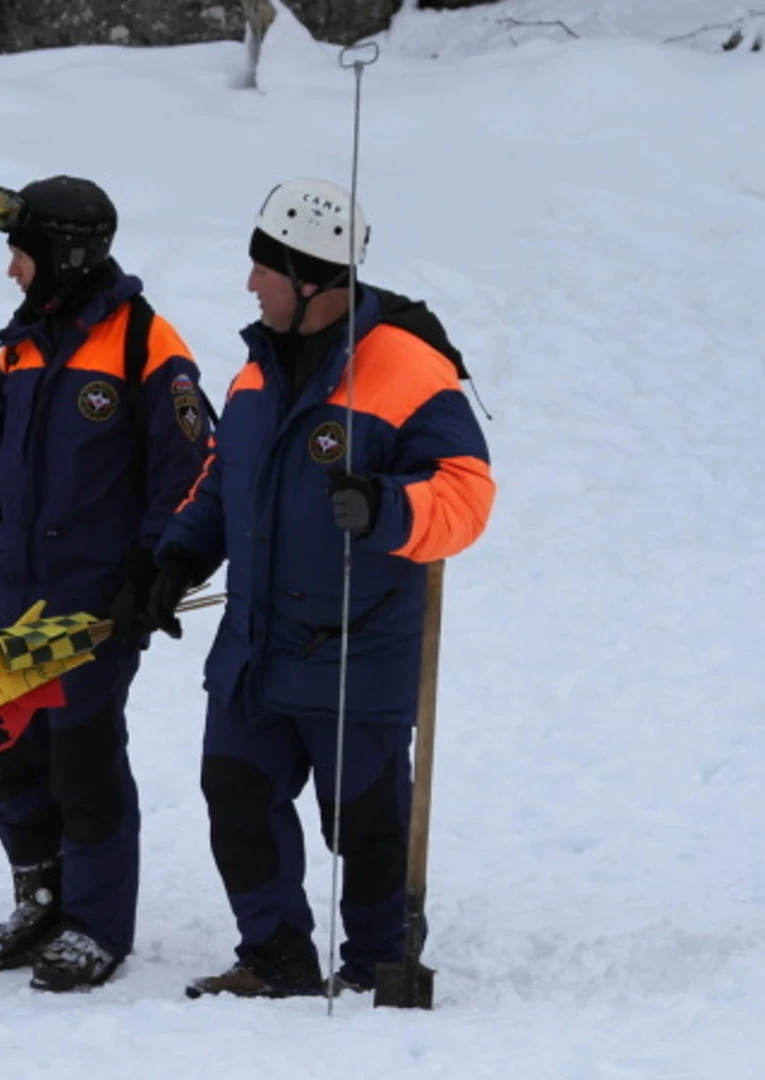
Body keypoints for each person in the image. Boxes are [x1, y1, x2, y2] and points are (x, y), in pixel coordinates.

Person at [151, 178, 495, 999]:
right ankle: (274, 955)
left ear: (313, 279)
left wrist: (388, 507)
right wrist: (172, 561)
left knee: (367, 822)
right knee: (237, 797)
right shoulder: (256, 371)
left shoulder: (411, 369)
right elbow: (223, 482)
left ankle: (380, 957)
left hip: (359, 647)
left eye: (264, 269)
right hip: (254, 649)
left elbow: (468, 493)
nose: (250, 285)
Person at [0, 176, 212, 992]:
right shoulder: (21, 344)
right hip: (15, 598)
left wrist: (152, 568)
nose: (12, 271)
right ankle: (45, 898)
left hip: (92, 606)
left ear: (68, 253)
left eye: (22, 253)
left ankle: (96, 924)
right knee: (4, 748)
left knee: (83, 762)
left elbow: (193, 469)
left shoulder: (144, 344)